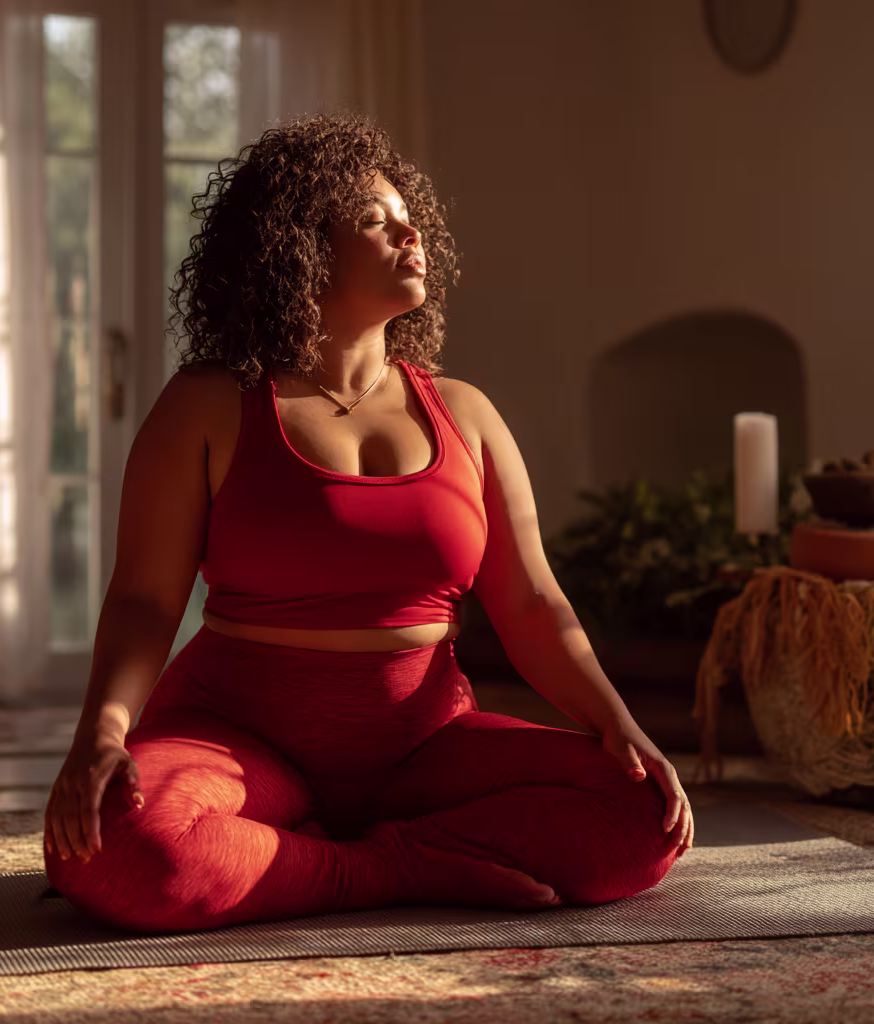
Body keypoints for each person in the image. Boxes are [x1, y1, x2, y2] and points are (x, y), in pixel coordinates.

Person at [43, 111, 694, 934]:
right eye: (375, 222)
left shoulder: (467, 413)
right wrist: (101, 735)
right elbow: (143, 601)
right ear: (299, 250)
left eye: (408, 215)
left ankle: (321, 862)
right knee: (108, 846)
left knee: (642, 816)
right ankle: (400, 868)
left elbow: (533, 606)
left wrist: (616, 724)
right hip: (238, 738)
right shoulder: (209, 404)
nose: (412, 231)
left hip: (426, 748)